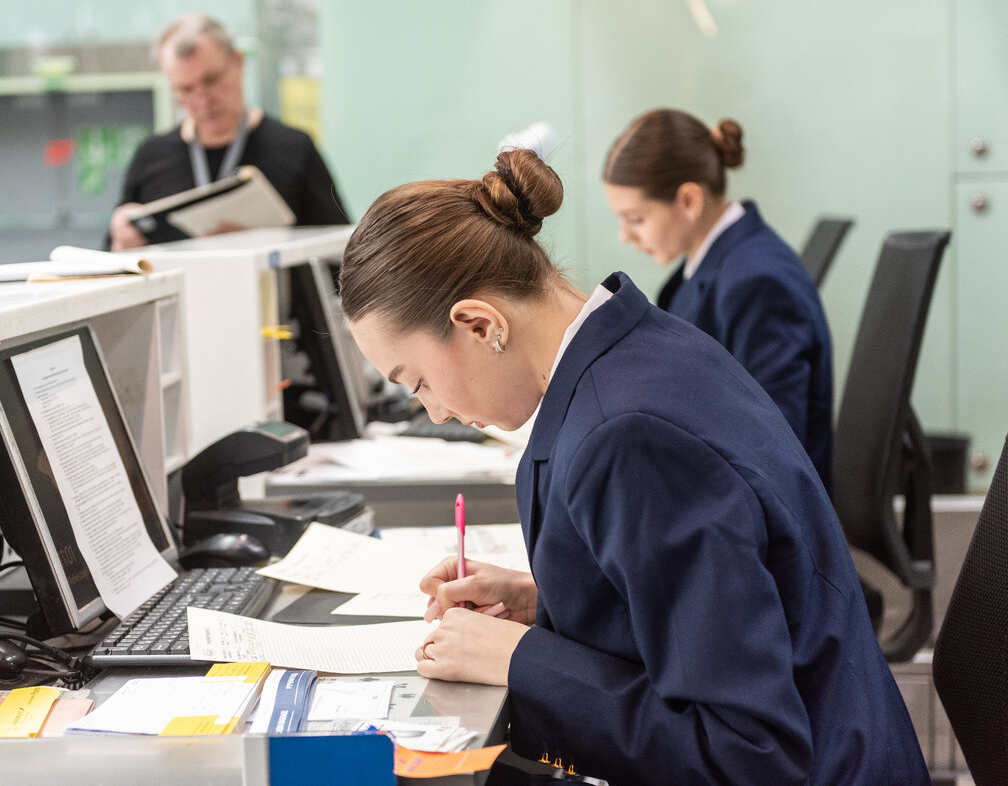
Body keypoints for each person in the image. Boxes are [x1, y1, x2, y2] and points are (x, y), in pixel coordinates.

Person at [339, 149, 927, 785]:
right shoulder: (638, 345)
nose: (436, 413)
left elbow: (745, 754)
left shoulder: (627, 437)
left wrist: (521, 658)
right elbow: (720, 611)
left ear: (480, 324)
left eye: (419, 381)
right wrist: (547, 603)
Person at [602, 109, 833, 491]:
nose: (625, 236)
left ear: (689, 200)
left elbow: (772, 452)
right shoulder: (708, 264)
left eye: (636, 218)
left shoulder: (757, 282)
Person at [107, 12, 348, 250]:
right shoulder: (151, 156)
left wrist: (277, 245)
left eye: (211, 80)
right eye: (185, 90)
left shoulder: (295, 148)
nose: (202, 101)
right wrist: (120, 241)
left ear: (238, 62)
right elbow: (110, 258)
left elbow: (343, 254)